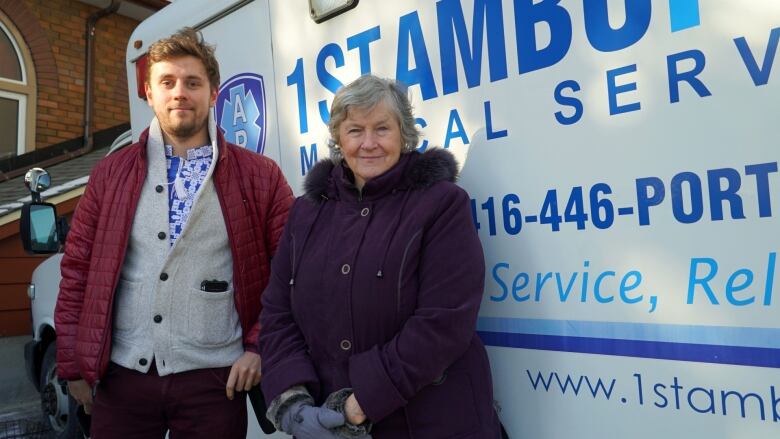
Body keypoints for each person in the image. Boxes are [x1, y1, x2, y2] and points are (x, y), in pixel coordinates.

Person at [54, 28, 293, 438]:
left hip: (216, 381)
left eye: (193, 82)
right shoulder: (110, 174)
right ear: (149, 94)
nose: (179, 93)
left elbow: (291, 272)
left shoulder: (260, 175)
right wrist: (73, 366)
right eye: (167, 82)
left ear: (214, 93)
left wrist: (258, 347)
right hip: (124, 376)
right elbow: (78, 270)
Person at [259, 74, 502, 438]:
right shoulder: (306, 213)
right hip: (324, 421)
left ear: (404, 134)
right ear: (338, 138)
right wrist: (292, 400)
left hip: (432, 420)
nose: (368, 144)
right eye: (355, 130)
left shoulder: (440, 204)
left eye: (382, 129)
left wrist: (357, 406)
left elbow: (445, 320)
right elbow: (277, 312)